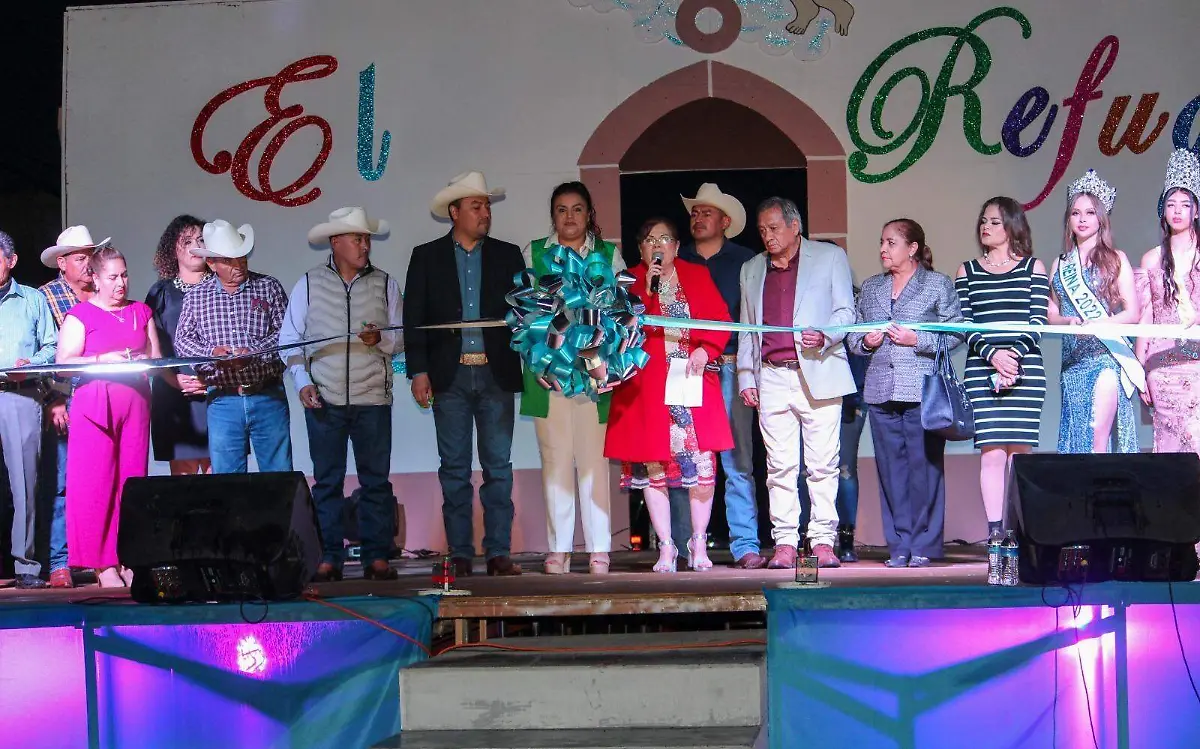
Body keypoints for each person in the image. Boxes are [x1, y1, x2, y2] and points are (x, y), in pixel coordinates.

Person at [405, 172, 525, 577]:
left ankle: (498, 551)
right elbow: (414, 318)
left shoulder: (508, 255)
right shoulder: (426, 256)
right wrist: (419, 371)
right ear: (454, 212)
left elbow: (524, 314)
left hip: (495, 374)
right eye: (476, 206)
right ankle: (459, 551)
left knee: (498, 467)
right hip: (449, 376)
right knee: (454, 468)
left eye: (487, 205)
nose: (485, 212)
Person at [280, 207, 403, 582]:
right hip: (325, 398)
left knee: (376, 482)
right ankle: (328, 556)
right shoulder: (309, 283)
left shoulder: (385, 283)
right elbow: (290, 340)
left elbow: (400, 339)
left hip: (372, 399)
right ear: (335, 243)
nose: (365, 245)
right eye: (357, 238)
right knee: (327, 483)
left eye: (366, 239)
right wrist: (303, 381)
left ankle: (376, 556)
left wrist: (379, 339)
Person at [604, 217, 733, 573]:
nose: (657, 245)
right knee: (654, 468)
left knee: (702, 466)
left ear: (676, 246)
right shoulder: (628, 281)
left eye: (664, 238)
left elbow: (721, 320)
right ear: (640, 249)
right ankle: (666, 546)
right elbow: (617, 332)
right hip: (646, 389)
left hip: (690, 383)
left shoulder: (697, 275)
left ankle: (698, 542)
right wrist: (647, 289)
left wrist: (706, 350)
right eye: (649, 239)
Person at [737, 197, 856, 570]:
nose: (767, 236)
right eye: (762, 230)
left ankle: (822, 540)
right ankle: (785, 542)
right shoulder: (751, 268)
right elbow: (746, 327)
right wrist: (746, 375)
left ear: (794, 226)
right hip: (771, 374)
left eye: (774, 228)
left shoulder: (830, 257)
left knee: (823, 464)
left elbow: (846, 312)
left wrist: (825, 334)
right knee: (779, 467)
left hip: (819, 369)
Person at [847, 219, 963, 567]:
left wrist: (919, 340)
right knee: (891, 471)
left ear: (912, 248)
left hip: (922, 390)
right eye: (882, 242)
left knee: (924, 469)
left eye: (891, 242)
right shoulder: (871, 287)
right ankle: (899, 545)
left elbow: (957, 332)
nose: (883, 249)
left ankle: (924, 545)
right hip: (881, 389)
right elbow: (853, 335)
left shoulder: (936, 284)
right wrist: (866, 342)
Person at [521, 182, 623, 575]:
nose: (569, 217)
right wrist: (541, 361)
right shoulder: (534, 252)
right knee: (555, 461)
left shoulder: (607, 254)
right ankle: (559, 550)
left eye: (577, 209)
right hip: (549, 375)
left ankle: (599, 549)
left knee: (594, 461)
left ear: (589, 213)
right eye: (561, 210)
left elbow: (622, 313)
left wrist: (607, 362)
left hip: (594, 375)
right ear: (553, 215)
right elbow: (524, 313)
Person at [56, 246, 161, 588]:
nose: (121, 283)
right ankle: (102, 564)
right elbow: (63, 365)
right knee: (95, 483)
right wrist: (102, 360)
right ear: (96, 279)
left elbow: (155, 358)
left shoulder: (141, 312)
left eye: (124, 275)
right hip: (95, 405)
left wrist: (143, 362)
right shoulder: (80, 315)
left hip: (135, 403)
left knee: (132, 482)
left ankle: (129, 556)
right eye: (113, 277)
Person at [673, 184, 761, 568]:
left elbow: (754, 316)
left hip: (728, 364)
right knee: (685, 456)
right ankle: (683, 546)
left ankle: (745, 545)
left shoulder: (746, 261)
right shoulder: (677, 259)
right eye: (694, 212)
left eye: (706, 212)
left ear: (725, 221)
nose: (697, 218)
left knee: (737, 459)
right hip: (684, 368)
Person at [955, 197, 1049, 538]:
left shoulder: (1033, 268)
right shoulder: (967, 270)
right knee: (992, 453)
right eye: (984, 220)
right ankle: (996, 533)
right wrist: (994, 355)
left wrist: (1012, 357)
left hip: (1025, 370)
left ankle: (1018, 531)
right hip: (982, 370)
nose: (986, 226)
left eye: (994, 221)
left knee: (1019, 456)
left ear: (1012, 226)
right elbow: (965, 325)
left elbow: (1038, 322)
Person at [174, 220, 292, 474]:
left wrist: (255, 353)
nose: (238, 265)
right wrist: (212, 354)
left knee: (279, 476)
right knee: (228, 480)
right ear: (211, 263)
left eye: (242, 257)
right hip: (222, 400)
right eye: (229, 260)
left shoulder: (268, 287)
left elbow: (286, 335)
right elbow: (182, 341)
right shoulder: (196, 296)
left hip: (267, 395)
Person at [1048, 170, 1142, 454]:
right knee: (1078, 438)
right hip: (1073, 361)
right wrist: (1068, 321)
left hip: (1105, 358)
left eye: (1090, 212)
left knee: (1095, 435)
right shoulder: (1060, 264)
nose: (1082, 219)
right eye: (1076, 213)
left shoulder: (1116, 259)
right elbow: (1051, 313)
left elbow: (1132, 313)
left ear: (1101, 218)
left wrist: (1102, 322)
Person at [37, 225, 103, 588]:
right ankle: (60, 561)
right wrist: (54, 399)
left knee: (99, 479)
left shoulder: (103, 292)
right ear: (62, 263)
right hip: (65, 398)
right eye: (80, 258)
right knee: (61, 483)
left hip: (101, 396)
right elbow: (43, 352)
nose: (88, 264)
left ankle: (99, 556)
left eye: (91, 256)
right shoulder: (45, 298)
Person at [0, 229, 59, 589]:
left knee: (24, 483)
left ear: (11, 260)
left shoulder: (33, 299)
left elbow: (52, 347)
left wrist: (32, 364)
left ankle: (25, 566)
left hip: (19, 395)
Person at [1137, 148, 1200, 452]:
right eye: (1171, 204)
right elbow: (1146, 317)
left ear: (1196, 211)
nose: (1177, 211)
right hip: (1162, 364)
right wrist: (1139, 368)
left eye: (1185, 205)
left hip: (1197, 361)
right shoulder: (1151, 259)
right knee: (1171, 450)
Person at [145, 215, 212, 475]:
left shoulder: (222, 287)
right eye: (187, 241)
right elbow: (152, 346)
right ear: (174, 249)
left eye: (201, 240)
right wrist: (172, 379)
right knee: (184, 485)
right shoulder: (160, 292)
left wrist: (213, 381)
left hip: (217, 393)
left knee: (221, 479)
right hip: (174, 394)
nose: (196, 246)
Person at [836, 328, 868, 563]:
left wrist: (853, 394)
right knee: (804, 469)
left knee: (845, 469)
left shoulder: (853, 308)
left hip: (851, 393)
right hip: (807, 391)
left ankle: (846, 540)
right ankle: (805, 538)